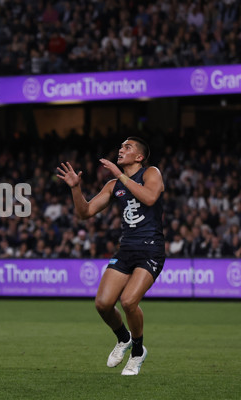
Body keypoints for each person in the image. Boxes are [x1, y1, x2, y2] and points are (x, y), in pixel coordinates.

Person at [56, 137, 165, 376]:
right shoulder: (113, 185)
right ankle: (123, 338)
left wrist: (120, 174)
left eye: (128, 147)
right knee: (103, 304)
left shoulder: (151, 173)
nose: (121, 149)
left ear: (139, 157)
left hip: (151, 248)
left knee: (128, 301)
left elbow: (149, 198)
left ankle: (137, 352)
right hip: (126, 249)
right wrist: (76, 188)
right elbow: (85, 212)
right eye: (121, 146)